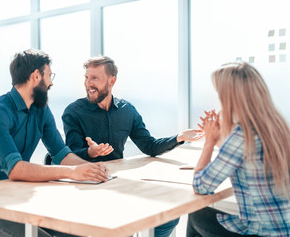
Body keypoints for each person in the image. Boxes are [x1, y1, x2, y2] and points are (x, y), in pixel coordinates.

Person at [0, 49, 108, 237]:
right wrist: (74, 172)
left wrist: (93, 168)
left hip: (21, 201)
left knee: (82, 229)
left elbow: (61, 153)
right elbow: (16, 169)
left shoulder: (40, 110)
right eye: (49, 75)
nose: (51, 82)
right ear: (36, 76)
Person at [61, 56, 202, 237]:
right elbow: (69, 154)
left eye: (94, 78)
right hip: (88, 185)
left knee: (170, 218)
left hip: (118, 181)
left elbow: (149, 146)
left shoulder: (127, 110)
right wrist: (90, 152)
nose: (88, 83)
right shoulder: (73, 112)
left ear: (112, 81)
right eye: (86, 77)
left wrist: (179, 137)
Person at [187, 62, 290, 237]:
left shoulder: (242, 136)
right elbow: (244, 158)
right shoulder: (275, 126)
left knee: (197, 215)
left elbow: (200, 186)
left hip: (263, 233)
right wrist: (220, 139)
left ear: (231, 98)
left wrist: (210, 141)